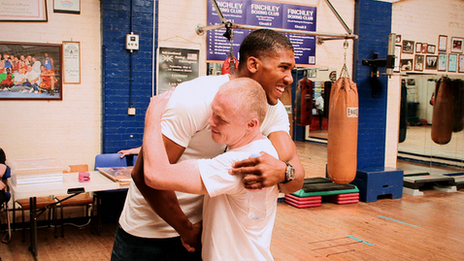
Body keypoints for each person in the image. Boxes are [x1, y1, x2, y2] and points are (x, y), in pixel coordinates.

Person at [112, 29, 305, 260]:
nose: (290, 78)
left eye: (291, 70)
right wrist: (187, 230)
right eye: (283, 68)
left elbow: (294, 177)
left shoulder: (272, 111)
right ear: (253, 64)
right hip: (151, 232)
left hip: (204, 230)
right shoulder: (196, 98)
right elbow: (145, 175)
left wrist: (285, 172)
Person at [141, 78, 280, 260]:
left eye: (221, 119)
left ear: (251, 124)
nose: (210, 121)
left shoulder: (238, 164)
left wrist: (153, 115)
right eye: (212, 112)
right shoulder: (264, 149)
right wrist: (207, 225)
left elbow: (155, 175)